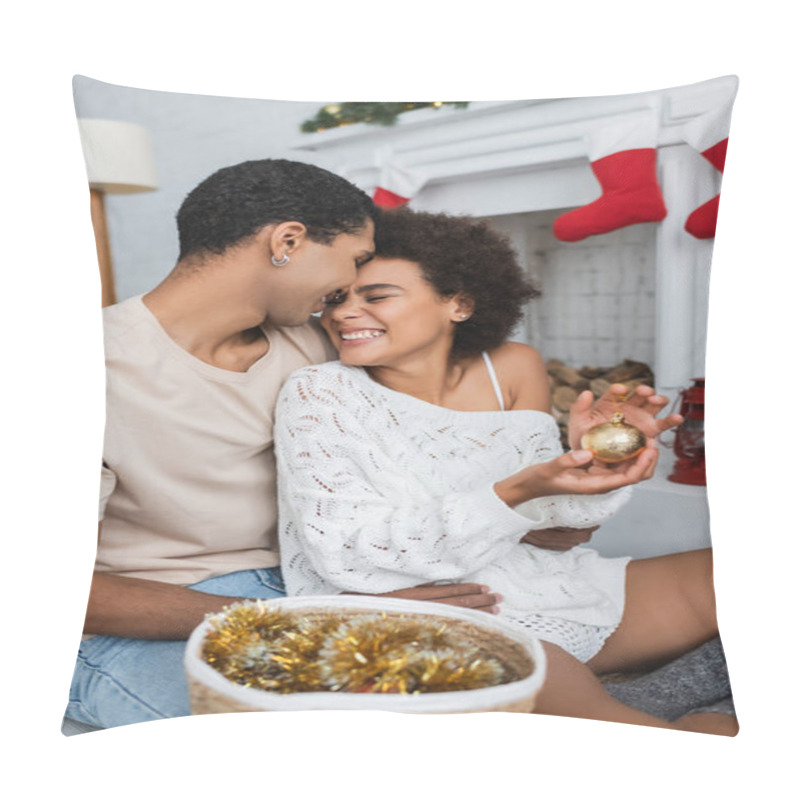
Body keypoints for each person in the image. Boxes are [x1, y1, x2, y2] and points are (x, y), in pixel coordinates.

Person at [65, 160, 501, 730]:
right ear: (288, 241)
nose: (350, 289)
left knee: (478, 693)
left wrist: (541, 502)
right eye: (355, 259)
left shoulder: (313, 342)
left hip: (305, 583)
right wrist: (304, 616)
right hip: (152, 620)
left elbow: (414, 450)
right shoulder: (90, 369)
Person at [274, 207, 737, 735]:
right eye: (336, 299)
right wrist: (517, 490)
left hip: (545, 581)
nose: (343, 314)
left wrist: (597, 462)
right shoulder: (318, 393)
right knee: (568, 693)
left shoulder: (512, 366)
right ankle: (688, 721)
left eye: (375, 296)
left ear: (459, 303)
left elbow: (556, 530)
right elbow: (347, 555)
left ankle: (662, 696)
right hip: (427, 612)